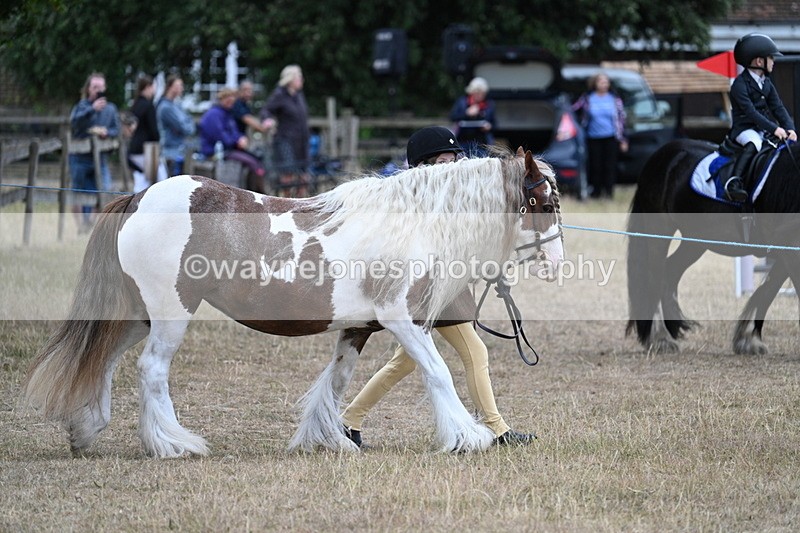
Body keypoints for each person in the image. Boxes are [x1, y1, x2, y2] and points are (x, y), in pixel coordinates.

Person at [341, 126, 536, 449]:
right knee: (474, 351)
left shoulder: (451, 196)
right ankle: (497, 429)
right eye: (444, 160)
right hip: (433, 288)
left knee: (404, 361)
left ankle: (350, 420)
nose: (452, 166)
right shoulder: (417, 199)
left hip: (447, 285)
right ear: (423, 166)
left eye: (454, 159)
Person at [725, 33, 797, 202]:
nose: (774, 61)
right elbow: (752, 114)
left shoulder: (766, 83)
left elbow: (778, 107)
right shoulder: (740, 85)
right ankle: (734, 182)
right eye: (771, 58)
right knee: (754, 144)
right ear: (759, 61)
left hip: (762, 129)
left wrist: (790, 128)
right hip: (744, 129)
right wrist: (775, 128)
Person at [68, 72, 120, 231]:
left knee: (104, 191)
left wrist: (107, 133)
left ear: (105, 88)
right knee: (77, 193)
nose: (98, 90)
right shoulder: (82, 106)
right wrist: (92, 109)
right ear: (88, 89)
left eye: (100, 87)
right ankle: (80, 227)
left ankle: (90, 224)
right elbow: (74, 123)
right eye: (94, 87)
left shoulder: (111, 109)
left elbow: (116, 129)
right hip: (80, 159)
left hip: (101, 159)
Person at [571, 72, 628, 199]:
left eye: (606, 82)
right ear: (595, 84)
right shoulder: (587, 98)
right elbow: (572, 109)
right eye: (601, 81)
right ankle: (596, 192)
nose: (604, 84)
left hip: (611, 137)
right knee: (595, 166)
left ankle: (608, 193)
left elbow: (622, 120)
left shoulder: (614, 99)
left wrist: (624, 139)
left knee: (610, 166)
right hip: (592, 138)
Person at [198, 87, 267, 193]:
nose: (231, 103)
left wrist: (240, 138)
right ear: (222, 99)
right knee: (253, 163)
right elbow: (220, 136)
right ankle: (260, 193)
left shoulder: (228, 113)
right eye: (228, 100)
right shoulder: (214, 114)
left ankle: (255, 192)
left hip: (229, 149)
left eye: (232, 101)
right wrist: (236, 141)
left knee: (256, 159)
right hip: (217, 152)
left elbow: (234, 132)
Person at [262, 65, 310, 196]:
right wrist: (267, 120)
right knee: (287, 173)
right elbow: (266, 110)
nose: (302, 80)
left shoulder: (298, 96)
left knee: (304, 175)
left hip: (301, 140)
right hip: (285, 140)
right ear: (290, 79)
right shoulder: (279, 95)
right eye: (299, 77)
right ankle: (286, 202)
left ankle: (301, 204)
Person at [128, 75, 168, 193]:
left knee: (141, 181)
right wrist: (158, 140)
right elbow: (153, 130)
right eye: (153, 87)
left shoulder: (135, 104)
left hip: (134, 149)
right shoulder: (148, 106)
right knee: (161, 179)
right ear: (147, 87)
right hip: (146, 150)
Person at [156, 74, 196, 176]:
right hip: (170, 151)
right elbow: (185, 128)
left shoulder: (177, 105)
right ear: (170, 87)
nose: (181, 88)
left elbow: (190, 123)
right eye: (179, 85)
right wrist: (186, 124)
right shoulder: (165, 107)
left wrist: (186, 124)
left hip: (180, 149)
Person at [449, 76, 496, 157]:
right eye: (478, 93)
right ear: (472, 92)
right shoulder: (462, 102)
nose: (480, 96)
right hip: (463, 141)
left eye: (482, 93)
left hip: (481, 143)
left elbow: (494, 124)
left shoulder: (489, 105)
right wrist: (467, 113)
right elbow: (452, 117)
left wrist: (489, 126)